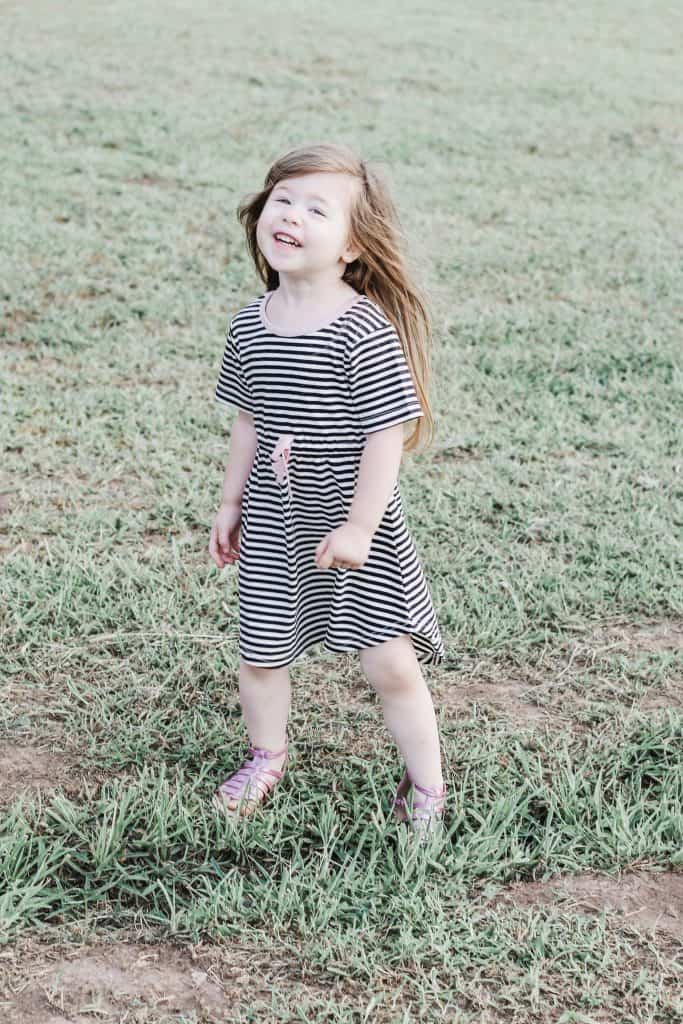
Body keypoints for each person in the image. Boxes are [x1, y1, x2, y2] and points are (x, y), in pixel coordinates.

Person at [208, 142, 447, 842]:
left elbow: (384, 436)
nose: (291, 215)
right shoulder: (252, 323)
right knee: (260, 651)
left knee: (389, 664)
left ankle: (427, 784)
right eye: (282, 198)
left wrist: (359, 529)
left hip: (351, 523)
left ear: (351, 245)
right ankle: (266, 756)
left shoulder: (359, 330)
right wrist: (231, 504)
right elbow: (250, 418)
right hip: (279, 519)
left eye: (317, 208)